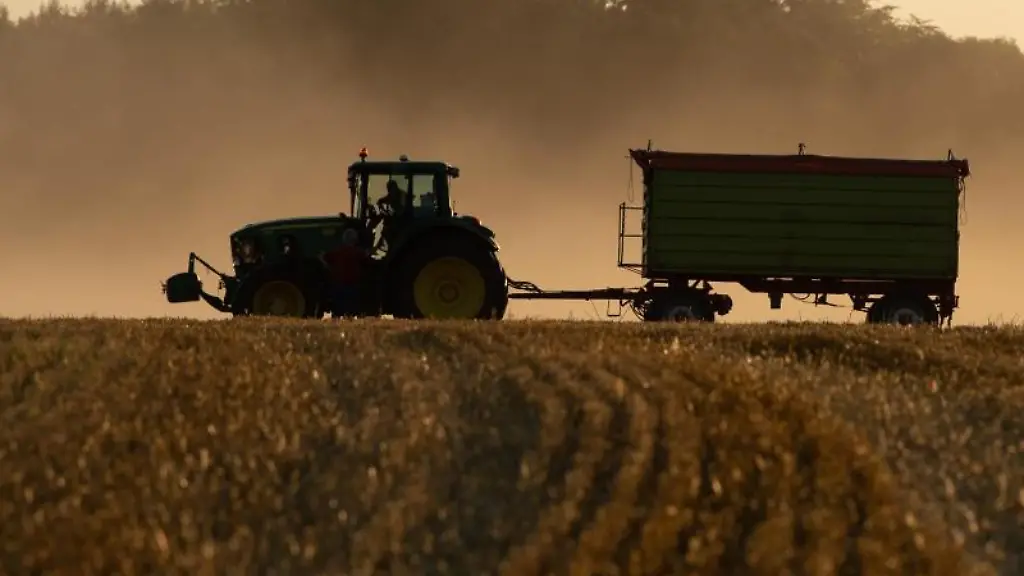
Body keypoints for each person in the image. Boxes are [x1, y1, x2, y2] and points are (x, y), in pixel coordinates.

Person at [322, 228, 367, 318]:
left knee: (338, 310)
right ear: (355, 240)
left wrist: (326, 266)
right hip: (353, 285)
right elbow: (367, 260)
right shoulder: (358, 252)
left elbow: (324, 257)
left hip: (339, 285)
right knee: (353, 309)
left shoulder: (337, 251)